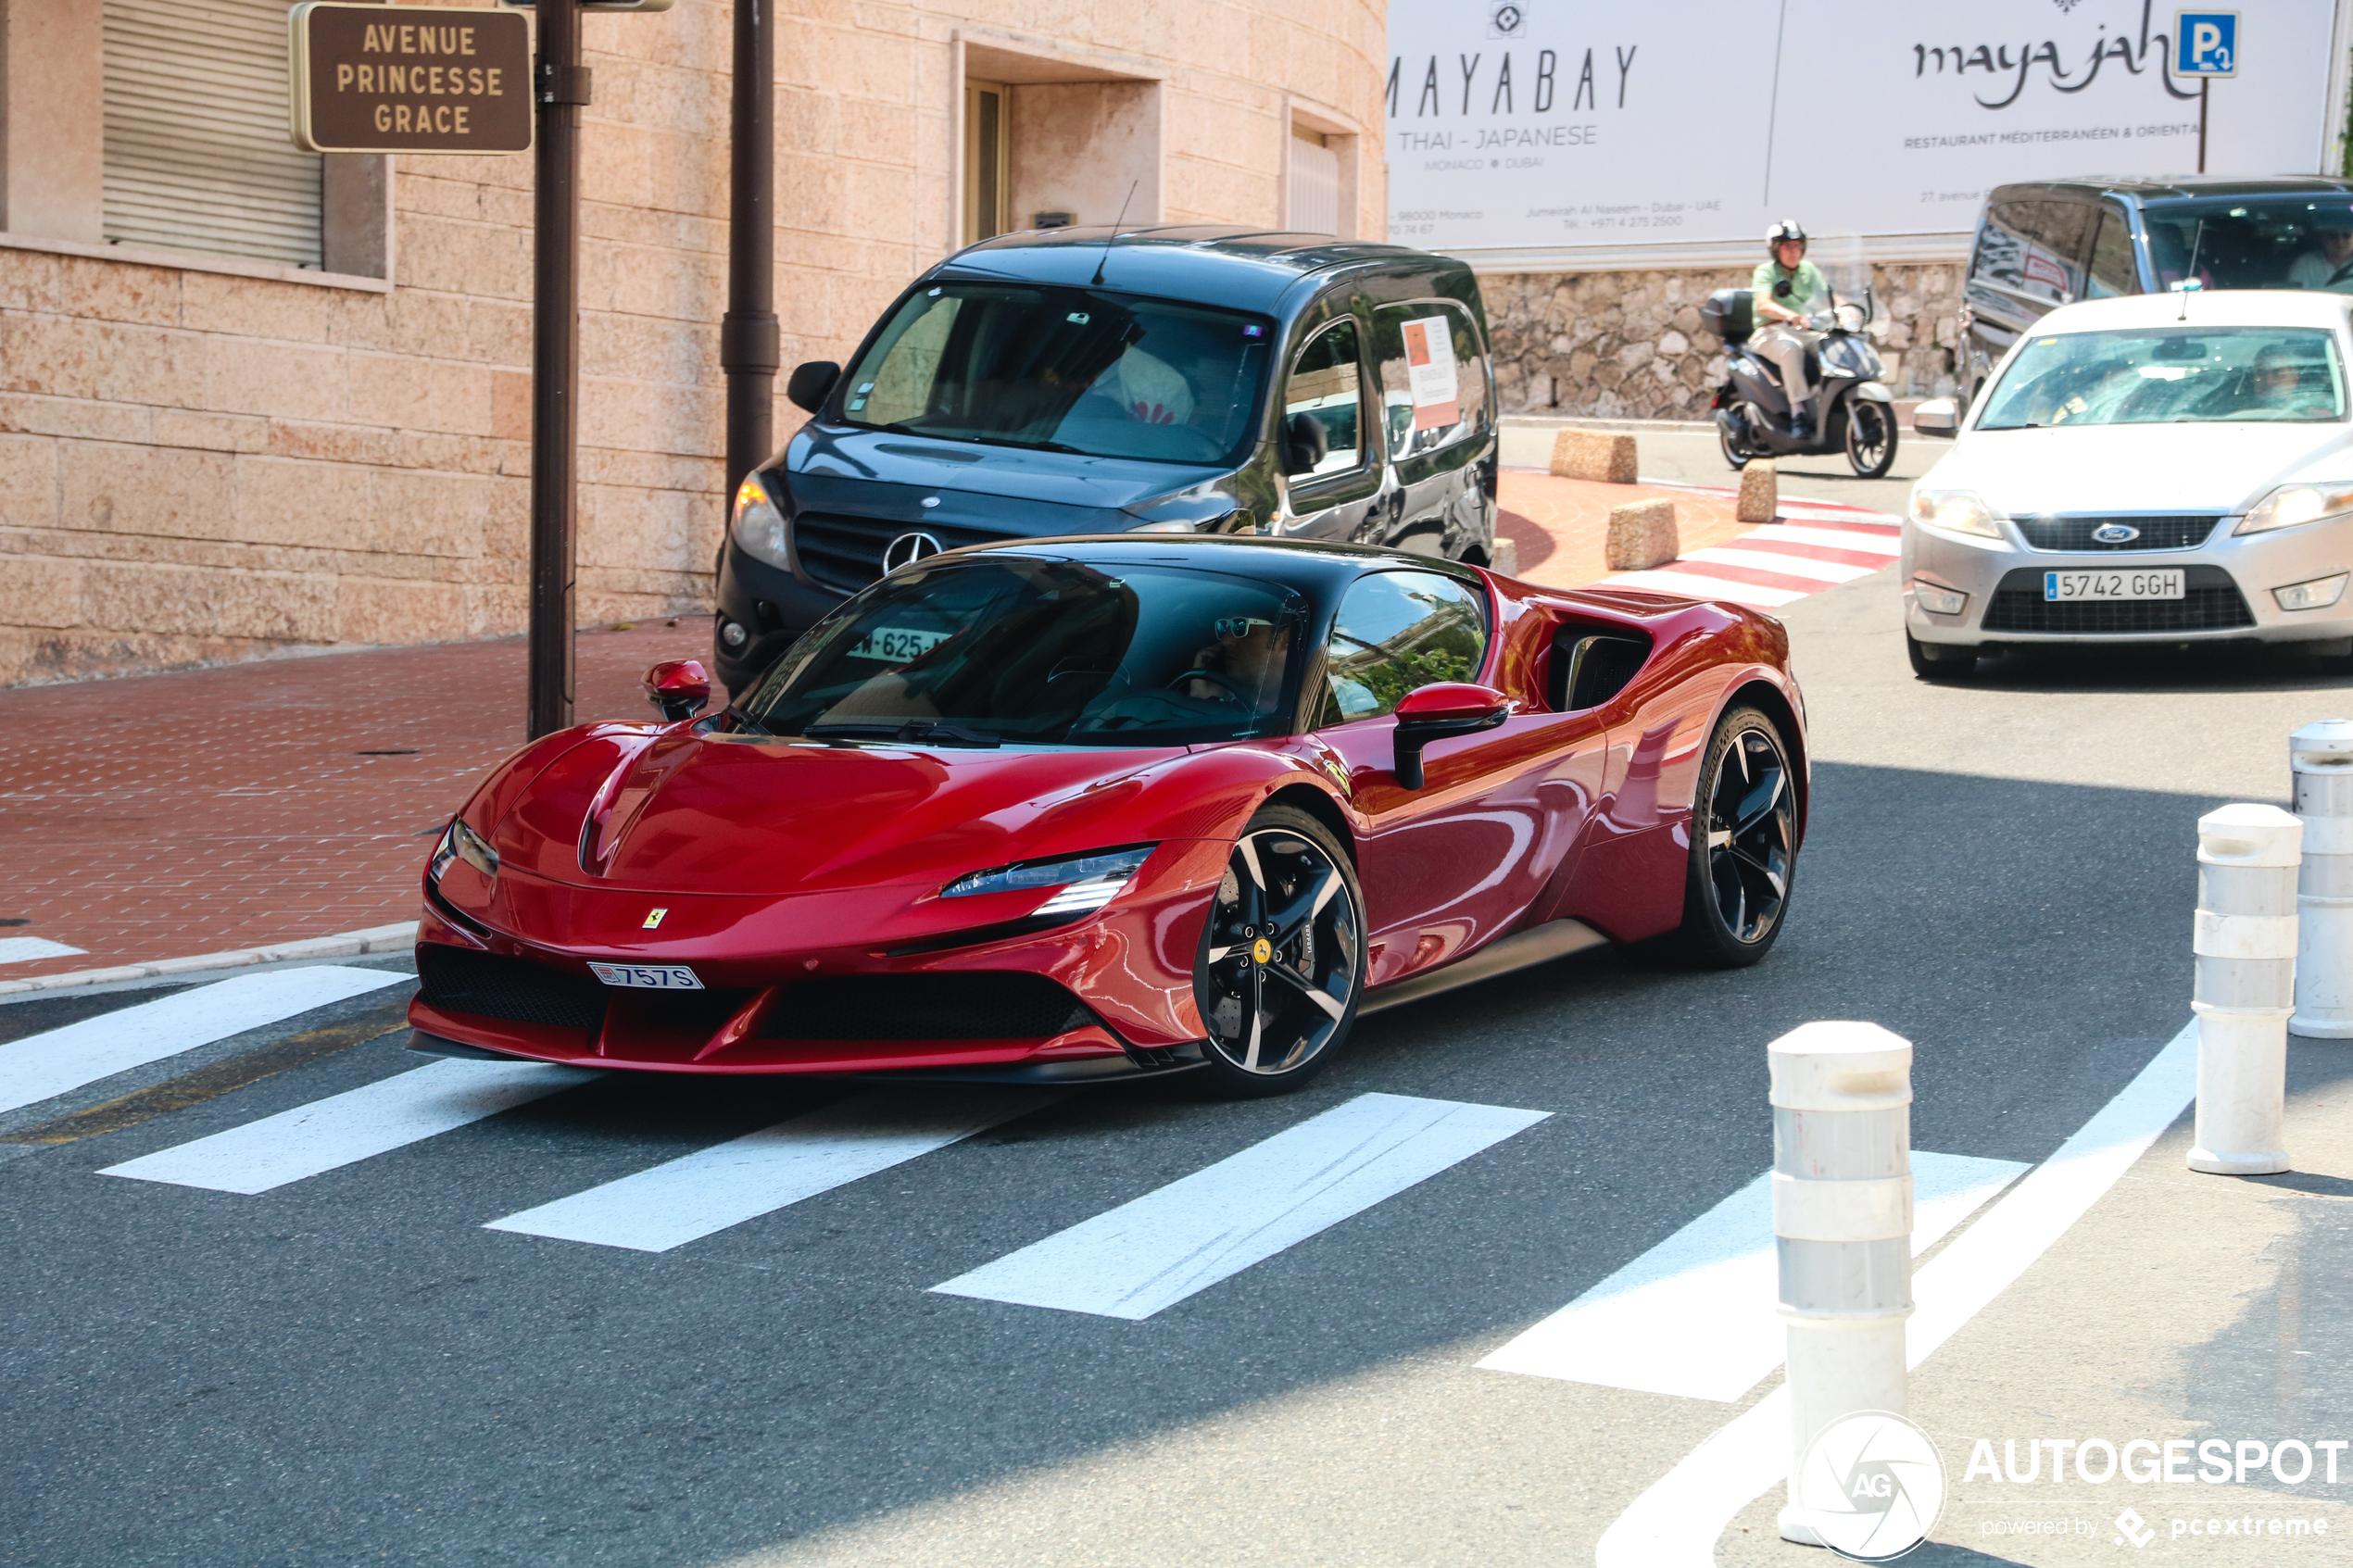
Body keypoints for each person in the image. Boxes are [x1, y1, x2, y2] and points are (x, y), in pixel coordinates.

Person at [1751, 220, 1832, 435]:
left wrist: (1850, 310)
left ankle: (1830, 401)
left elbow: (1827, 298)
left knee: (1833, 344)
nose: (1794, 251)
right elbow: (1763, 304)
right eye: (1788, 246)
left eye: (1798, 246)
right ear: (1775, 249)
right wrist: (1790, 315)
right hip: (1770, 331)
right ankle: (1799, 412)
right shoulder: (1765, 271)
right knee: (1790, 348)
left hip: (1805, 329)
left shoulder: (1809, 270)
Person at [2288, 212, 2353, 293]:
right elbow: (2295, 294)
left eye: (2346, 235)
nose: (2340, 241)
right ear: (2322, 239)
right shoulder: (2306, 263)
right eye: (2332, 236)